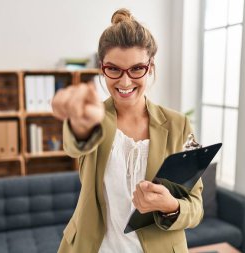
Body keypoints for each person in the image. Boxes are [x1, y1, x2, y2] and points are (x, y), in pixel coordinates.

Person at [52, 8, 203, 253]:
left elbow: (195, 206)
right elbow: (75, 145)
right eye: (114, 69)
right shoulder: (93, 118)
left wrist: (171, 206)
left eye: (136, 69)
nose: (124, 82)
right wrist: (78, 126)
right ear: (102, 68)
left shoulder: (179, 125)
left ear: (150, 66)